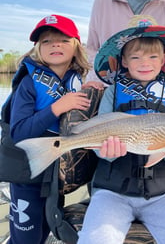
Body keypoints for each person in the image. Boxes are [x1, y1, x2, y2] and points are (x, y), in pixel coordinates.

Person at [77, 17, 165, 244]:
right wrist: (105, 152)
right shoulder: (112, 93)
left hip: (163, 195)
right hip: (111, 193)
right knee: (96, 239)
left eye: (152, 56)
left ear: (163, 61)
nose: (144, 62)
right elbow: (99, 137)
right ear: (125, 62)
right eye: (135, 57)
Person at [7, 14, 91, 244]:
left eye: (64, 39)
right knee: (26, 239)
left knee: (45, 231)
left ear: (76, 47)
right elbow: (20, 132)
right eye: (47, 41)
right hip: (27, 176)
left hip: (55, 176)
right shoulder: (28, 82)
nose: (55, 44)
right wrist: (57, 107)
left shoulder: (78, 81)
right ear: (38, 49)